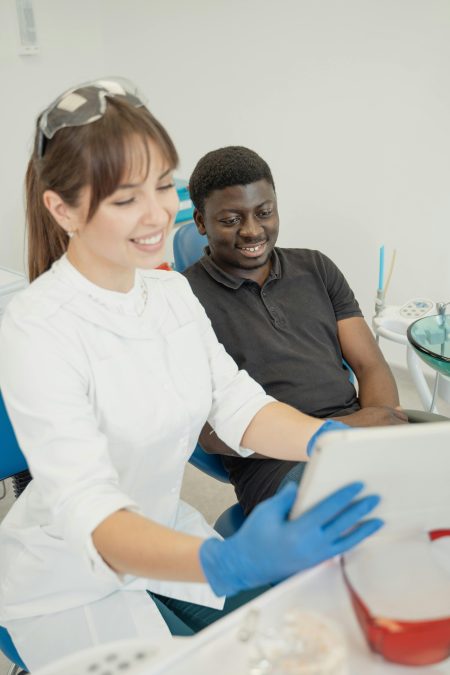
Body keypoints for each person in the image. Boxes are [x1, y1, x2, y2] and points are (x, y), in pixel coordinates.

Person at [0, 79, 382, 671]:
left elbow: (235, 403)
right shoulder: (34, 327)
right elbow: (90, 509)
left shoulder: (170, 291)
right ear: (63, 208)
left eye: (160, 185)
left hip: (170, 532)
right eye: (126, 199)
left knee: (299, 646)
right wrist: (224, 565)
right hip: (68, 575)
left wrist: (324, 441)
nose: (157, 216)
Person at [184, 146, 408, 515]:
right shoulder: (184, 299)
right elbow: (211, 434)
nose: (252, 230)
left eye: (264, 212)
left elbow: (369, 364)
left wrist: (378, 428)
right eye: (230, 219)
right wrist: (345, 430)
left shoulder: (316, 267)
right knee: (382, 516)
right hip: (275, 464)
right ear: (201, 222)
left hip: (359, 433)